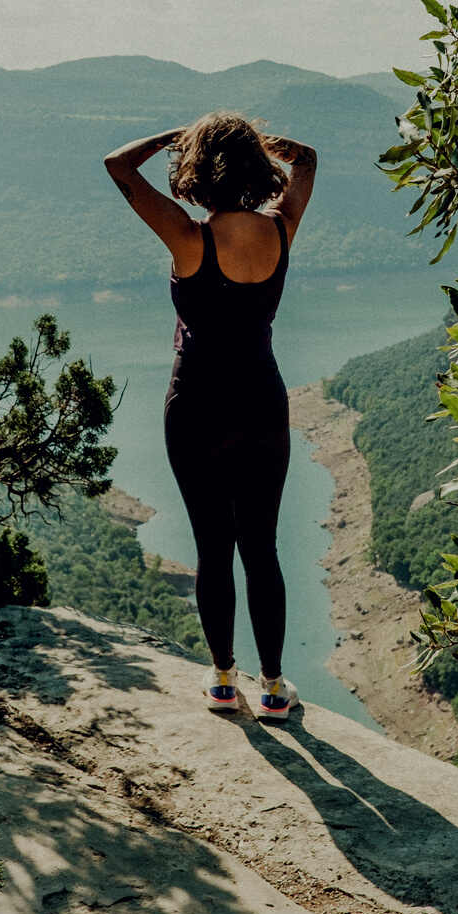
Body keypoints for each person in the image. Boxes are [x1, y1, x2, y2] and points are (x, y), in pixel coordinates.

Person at [104, 112, 317, 720]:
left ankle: (224, 680)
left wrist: (174, 136)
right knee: (263, 548)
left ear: (195, 170)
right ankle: (275, 686)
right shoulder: (281, 229)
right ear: (256, 166)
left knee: (212, 547)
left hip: (196, 404)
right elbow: (307, 161)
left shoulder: (188, 238)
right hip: (261, 403)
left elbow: (117, 166)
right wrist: (258, 142)